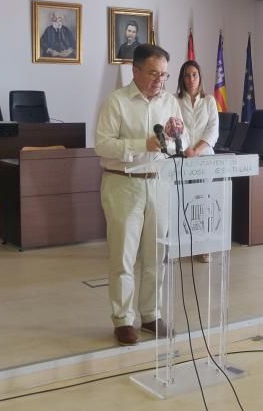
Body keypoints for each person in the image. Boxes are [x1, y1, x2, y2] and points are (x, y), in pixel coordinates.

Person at [95, 44, 185, 345]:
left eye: (164, 75)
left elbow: (175, 145)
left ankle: (150, 314)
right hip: (124, 183)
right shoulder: (116, 102)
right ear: (135, 71)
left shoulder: (170, 102)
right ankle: (123, 319)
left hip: (159, 183)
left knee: (156, 254)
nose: (160, 80)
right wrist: (140, 145)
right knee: (123, 255)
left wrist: (174, 138)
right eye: (153, 73)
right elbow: (102, 146)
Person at [175, 60, 219, 262]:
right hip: (182, 157)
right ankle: (181, 244)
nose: (191, 79)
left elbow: (212, 130)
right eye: (187, 75)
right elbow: (176, 127)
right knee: (182, 201)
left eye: (194, 75)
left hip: (204, 158)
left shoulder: (209, 101)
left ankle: (204, 246)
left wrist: (197, 150)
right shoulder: (175, 101)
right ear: (182, 79)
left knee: (203, 202)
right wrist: (186, 149)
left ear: (200, 78)